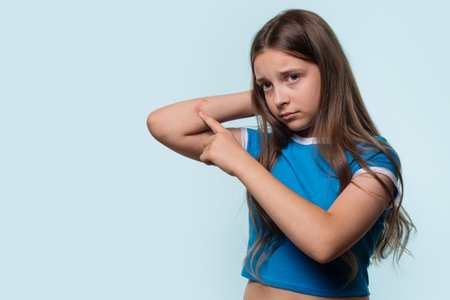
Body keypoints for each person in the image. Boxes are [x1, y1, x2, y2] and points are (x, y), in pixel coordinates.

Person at [147, 8, 415, 300]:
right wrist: (264, 97)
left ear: (330, 69)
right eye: (266, 85)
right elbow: (164, 125)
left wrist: (241, 163)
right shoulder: (267, 145)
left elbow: (324, 241)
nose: (279, 98)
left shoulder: (372, 157)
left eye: (293, 77)